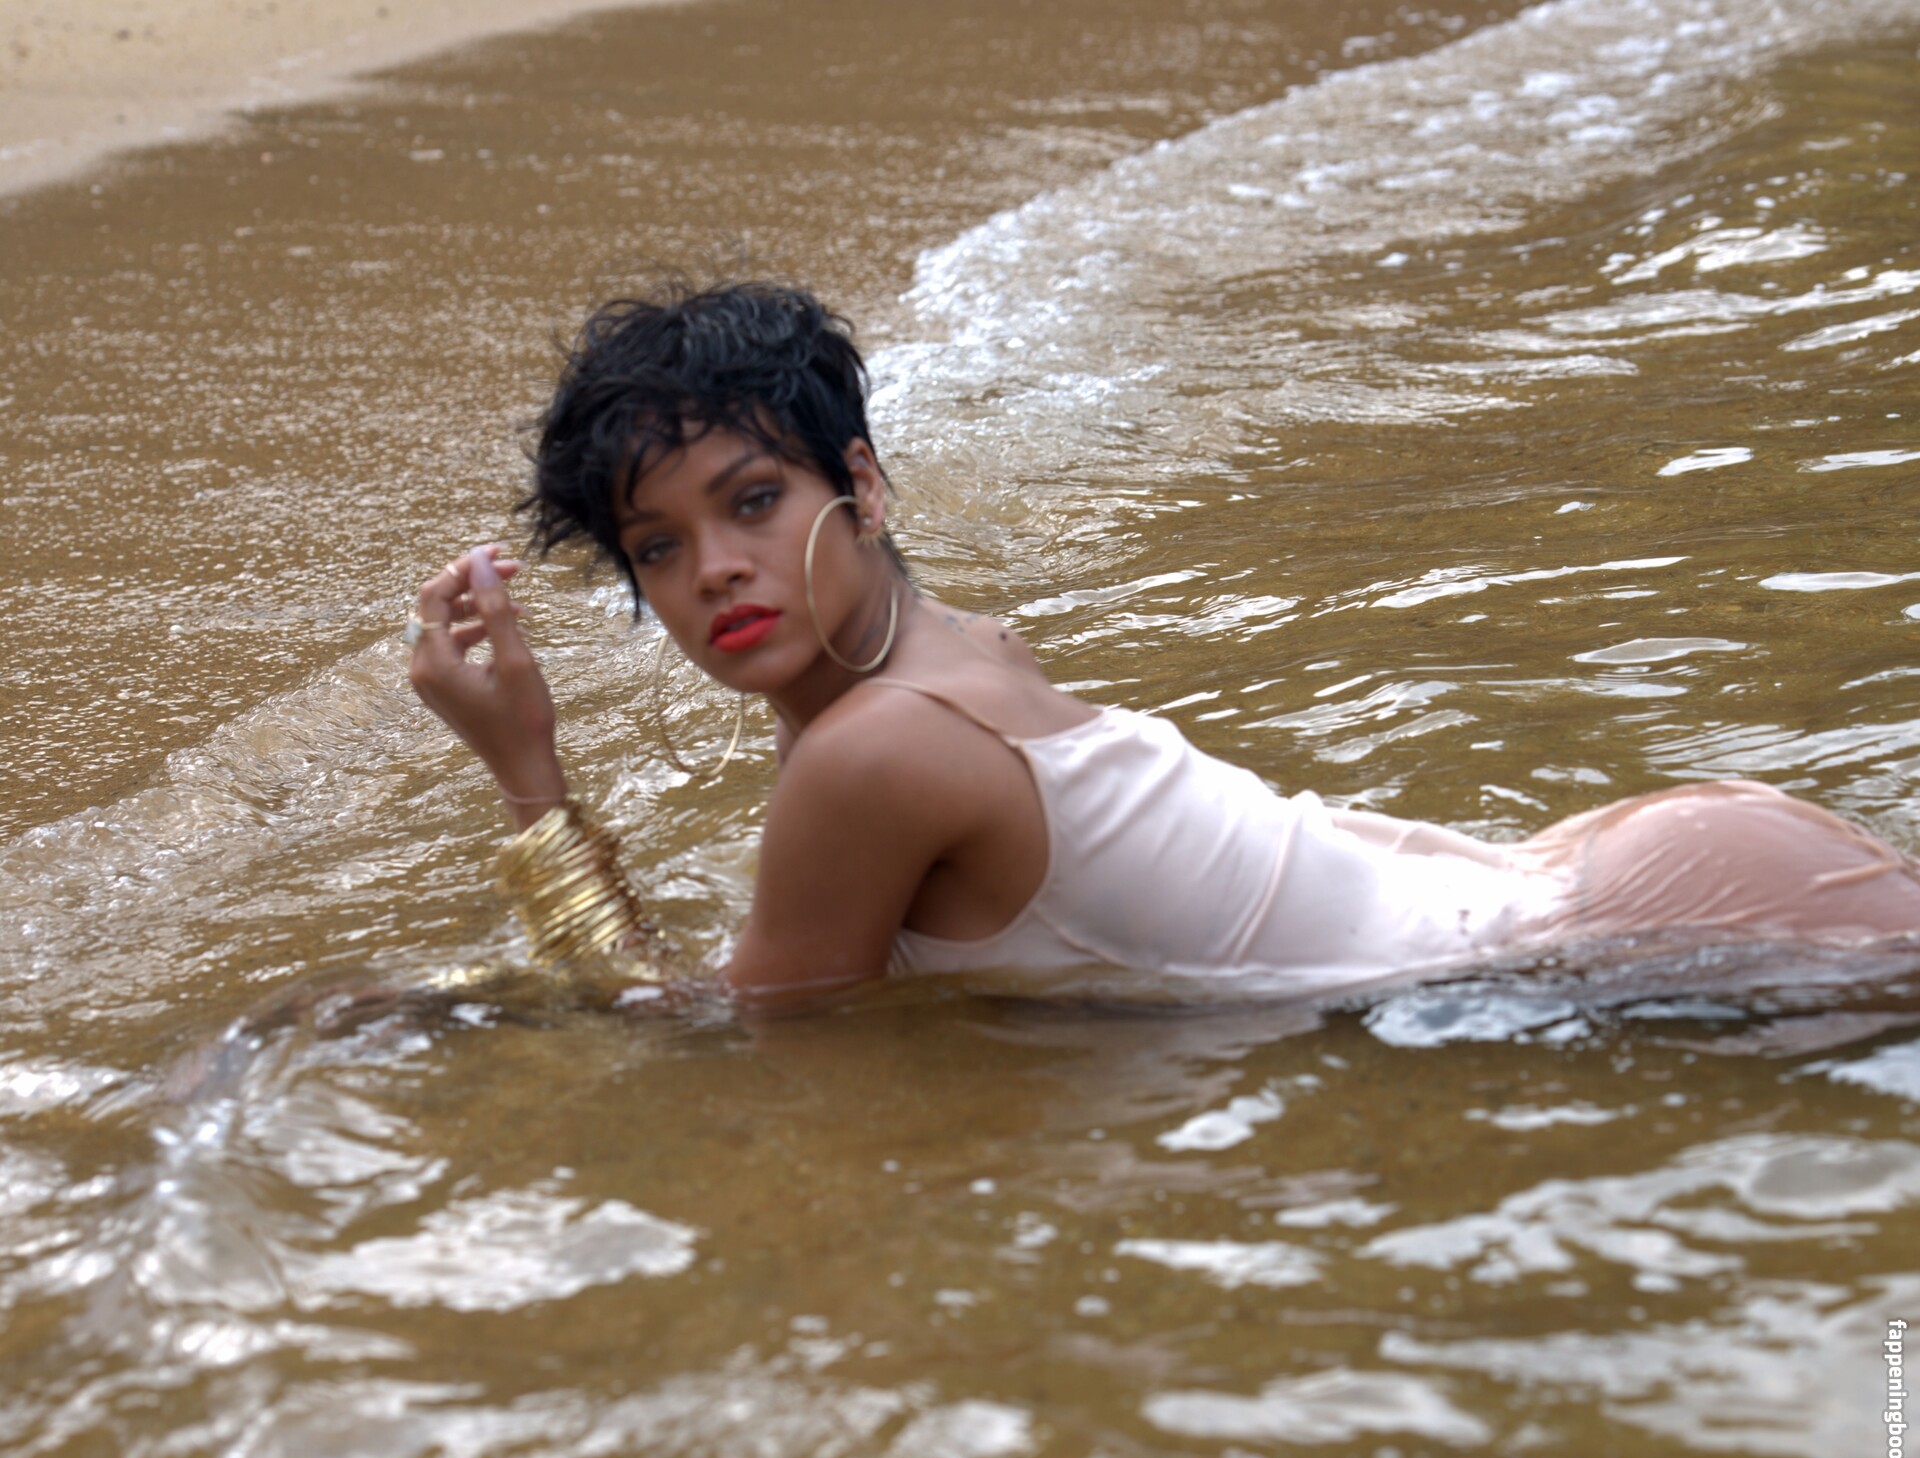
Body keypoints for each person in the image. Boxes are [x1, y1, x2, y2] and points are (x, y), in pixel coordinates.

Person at [406, 281, 1920, 1001]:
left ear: (858, 485)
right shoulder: (946, 650)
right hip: (1632, 874)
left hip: (1639, 931)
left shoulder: (871, 755)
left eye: (753, 500)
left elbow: (708, 1038)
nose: (715, 571)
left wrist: (529, 782)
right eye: (658, 546)